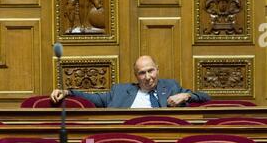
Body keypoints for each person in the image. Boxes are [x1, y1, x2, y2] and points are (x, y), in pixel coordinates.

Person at [51, 55, 210, 107]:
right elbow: (94, 98)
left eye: (151, 71)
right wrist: (66, 92)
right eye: (142, 73)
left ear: (157, 69)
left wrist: (185, 95)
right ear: (136, 76)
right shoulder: (120, 91)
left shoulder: (171, 86)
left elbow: (205, 97)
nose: (148, 77)